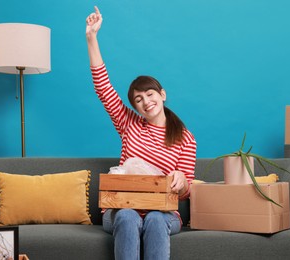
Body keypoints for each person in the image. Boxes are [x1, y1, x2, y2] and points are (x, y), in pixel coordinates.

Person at [86, 6, 197, 260]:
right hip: (122, 208)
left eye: (150, 94)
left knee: (156, 220)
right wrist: (91, 38)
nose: (146, 102)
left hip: (164, 213)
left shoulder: (185, 138)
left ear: (162, 95)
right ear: (135, 106)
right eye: (138, 99)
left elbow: (188, 190)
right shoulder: (129, 124)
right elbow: (103, 87)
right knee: (127, 216)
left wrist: (181, 181)